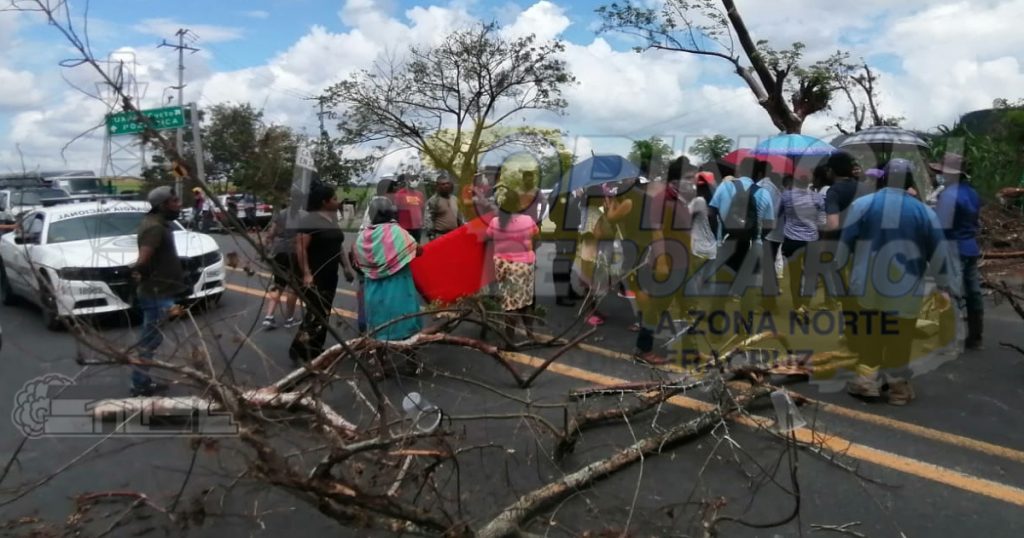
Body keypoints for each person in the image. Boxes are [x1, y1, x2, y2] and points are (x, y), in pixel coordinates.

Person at [838, 159, 959, 405]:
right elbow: (938, 253)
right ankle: (898, 389)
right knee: (900, 336)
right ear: (909, 182)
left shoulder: (862, 205)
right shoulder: (924, 212)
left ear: (882, 178)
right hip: (907, 287)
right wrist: (943, 285)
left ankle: (867, 383)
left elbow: (843, 248)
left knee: (870, 332)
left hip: (867, 286)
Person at [129, 186, 187, 396]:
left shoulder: (159, 224)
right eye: (175, 201)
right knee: (149, 341)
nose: (179, 205)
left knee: (152, 338)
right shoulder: (155, 228)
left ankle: (141, 380)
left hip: (160, 291)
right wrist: (139, 273)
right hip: (156, 293)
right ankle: (139, 383)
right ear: (163, 205)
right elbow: (144, 258)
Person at [288, 185, 357, 363]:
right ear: (324, 202)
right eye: (334, 199)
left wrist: (346, 267)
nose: (337, 201)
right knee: (317, 313)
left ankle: (303, 348)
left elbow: (338, 245)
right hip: (315, 275)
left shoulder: (331, 219)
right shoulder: (309, 220)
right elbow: (300, 248)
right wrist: (306, 274)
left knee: (321, 313)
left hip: (330, 274)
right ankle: (309, 352)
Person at [352, 197, 423, 341]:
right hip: (400, 289)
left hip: (374, 291)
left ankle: (380, 355)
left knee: (379, 325)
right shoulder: (398, 232)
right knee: (405, 323)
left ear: (371, 215)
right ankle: (410, 355)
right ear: (391, 213)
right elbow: (418, 250)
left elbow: (356, 259)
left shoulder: (363, 236)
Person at [933, 153, 983, 350]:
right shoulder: (972, 193)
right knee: (973, 292)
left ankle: (948, 340)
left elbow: (940, 225)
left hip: (952, 246)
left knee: (950, 292)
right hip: (970, 245)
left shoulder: (948, 195)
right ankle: (976, 336)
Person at [487, 180, 541, 345]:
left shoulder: (495, 222)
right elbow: (536, 237)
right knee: (526, 300)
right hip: (524, 267)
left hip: (505, 267)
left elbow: (489, 238)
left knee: (510, 304)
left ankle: (509, 339)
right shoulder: (528, 220)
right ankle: (530, 334)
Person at [708, 158, 775, 275]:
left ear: (739, 170)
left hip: (726, 240)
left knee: (723, 278)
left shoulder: (724, 186)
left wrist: (718, 235)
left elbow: (711, 213)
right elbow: (769, 224)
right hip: (751, 245)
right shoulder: (764, 193)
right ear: (759, 174)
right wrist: (756, 237)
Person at [779, 173, 826, 312]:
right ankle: (805, 304)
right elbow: (822, 222)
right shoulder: (817, 197)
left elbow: (778, 214)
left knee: (795, 275)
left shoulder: (786, 196)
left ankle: (796, 305)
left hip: (792, 240)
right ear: (809, 183)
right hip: (812, 239)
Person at [261, 204, 301, 330]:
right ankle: (289, 319)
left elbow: (271, 233)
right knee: (293, 286)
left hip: (278, 250)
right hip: (294, 250)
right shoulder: (304, 215)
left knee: (278, 283)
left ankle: (269, 316)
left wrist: (268, 245)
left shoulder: (281, 213)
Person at [424, 173, 464, 240]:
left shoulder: (455, 199)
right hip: (440, 236)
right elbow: (428, 219)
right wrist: (431, 235)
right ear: (437, 186)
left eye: (447, 183)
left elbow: (460, 216)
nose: (446, 186)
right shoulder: (433, 201)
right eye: (443, 184)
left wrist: (463, 229)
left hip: (454, 234)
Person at [689, 172, 717, 261]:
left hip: (699, 246)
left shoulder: (699, 201)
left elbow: (685, 218)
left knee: (696, 274)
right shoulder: (715, 201)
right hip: (712, 247)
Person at [395, 174, 426, 242]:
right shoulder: (399, 194)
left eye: (417, 180)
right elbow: (395, 210)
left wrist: (422, 221)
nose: (415, 181)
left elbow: (422, 209)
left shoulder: (420, 194)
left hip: (417, 227)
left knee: (417, 248)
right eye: (412, 180)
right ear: (407, 181)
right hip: (405, 227)